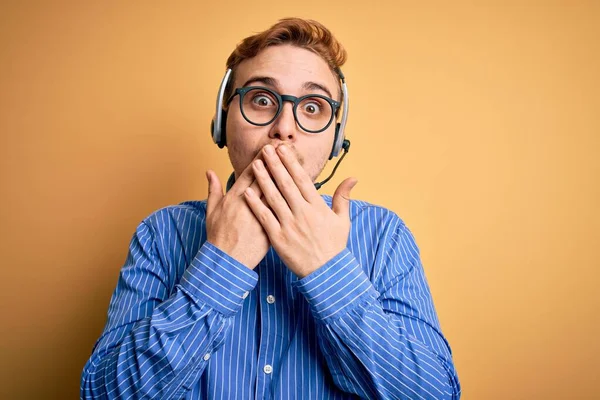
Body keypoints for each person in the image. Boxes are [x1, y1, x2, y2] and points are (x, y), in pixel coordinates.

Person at [81, 17, 461, 399]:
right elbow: (102, 394)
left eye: (312, 107)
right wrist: (222, 263)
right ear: (222, 120)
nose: (284, 127)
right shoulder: (163, 232)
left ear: (336, 137)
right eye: (262, 100)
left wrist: (326, 267)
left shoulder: (384, 236)